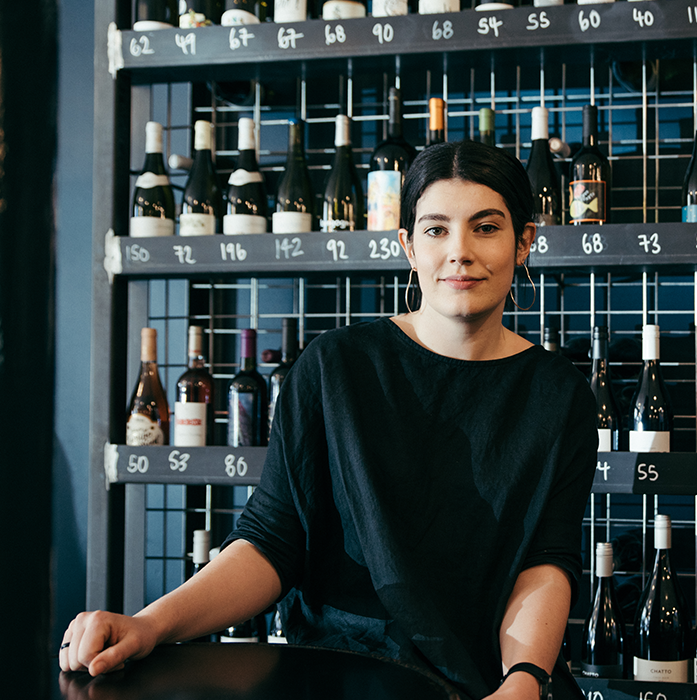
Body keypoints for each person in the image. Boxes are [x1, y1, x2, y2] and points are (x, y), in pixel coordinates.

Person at [60, 141, 598, 700]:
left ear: (525, 242)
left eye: (486, 227)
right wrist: (149, 625)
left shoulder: (559, 396)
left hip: (491, 681)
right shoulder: (335, 368)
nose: (459, 251)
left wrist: (524, 681)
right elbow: (271, 541)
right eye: (436, 230)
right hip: (341, 675)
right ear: (408, 246)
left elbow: (545, 561)